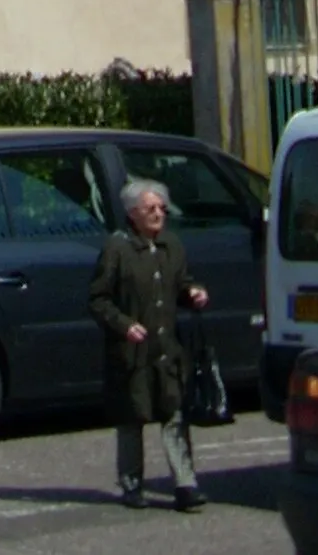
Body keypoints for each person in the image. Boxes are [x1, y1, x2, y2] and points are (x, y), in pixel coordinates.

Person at [88, 177, 210, 515]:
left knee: (174, 414)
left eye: (162, 208)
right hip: (131, 354)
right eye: (150, 209)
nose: (158, 214)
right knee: (132, 417)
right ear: (133, 214)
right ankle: (131, 484)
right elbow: (98, 300)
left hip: (167, 349)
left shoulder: (172, 245)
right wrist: (124, 325)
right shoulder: (117, 249)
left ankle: (186, 485)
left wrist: (193, 293)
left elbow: (181, 282)